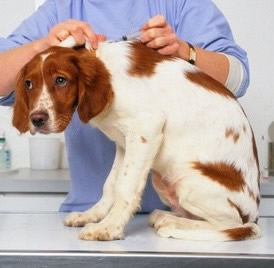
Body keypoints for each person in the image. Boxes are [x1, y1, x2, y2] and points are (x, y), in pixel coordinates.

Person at [0, 0, 249, 213]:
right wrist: (42, 47)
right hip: (91, 211)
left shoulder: (179, 3)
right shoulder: (63, 7)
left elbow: (238, 77)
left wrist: (185, 52)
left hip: (180, 212)